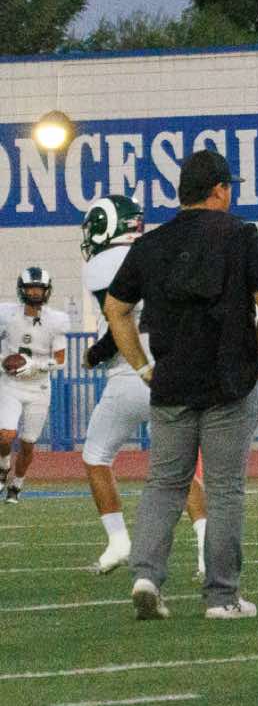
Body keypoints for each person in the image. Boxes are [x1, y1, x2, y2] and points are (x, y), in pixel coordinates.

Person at [104, 149, 258, 621]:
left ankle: (146, 576)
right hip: (228, 381)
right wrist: (257, 357)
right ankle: (222, 597)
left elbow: (115, 310)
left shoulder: (150, 245)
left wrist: (142, 367)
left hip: (171, 380)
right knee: (224, 490)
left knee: (164, 484)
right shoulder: (241, 235)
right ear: (220, 189)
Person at [77, 196, 207, 576]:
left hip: (132, 373)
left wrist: (95, 354)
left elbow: (121, 320)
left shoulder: (102, 264)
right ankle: (206, 548)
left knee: (96, 455)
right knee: (179, 469)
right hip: (175, 367)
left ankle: (119, 540)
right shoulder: (159, 250)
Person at [0, 266, 69, 504]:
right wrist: (4, 363)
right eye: (30, 288)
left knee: (28, 443)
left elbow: (61, 360)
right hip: (10, 384)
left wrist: (34, 366)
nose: (35, 293)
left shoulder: (56, 320)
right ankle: (3, 466)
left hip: (39, 388)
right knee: (5, 435)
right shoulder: (7, 315)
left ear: (47, 291)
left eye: (39, 288)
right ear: (21, 289)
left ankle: (17, 484)